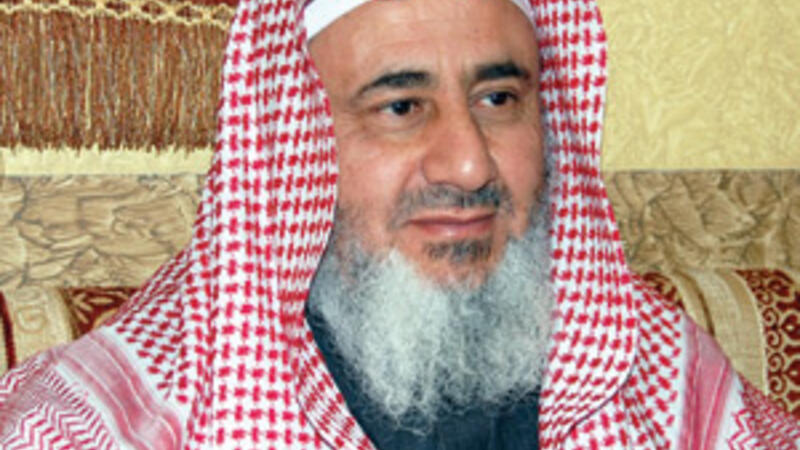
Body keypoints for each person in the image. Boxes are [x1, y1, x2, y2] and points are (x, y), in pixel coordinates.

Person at [0, 0, 797, 448]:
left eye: (498, 99)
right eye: (401, 106)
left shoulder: (652, 364)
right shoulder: (117, 421)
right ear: (295, 141)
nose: (470, 164)